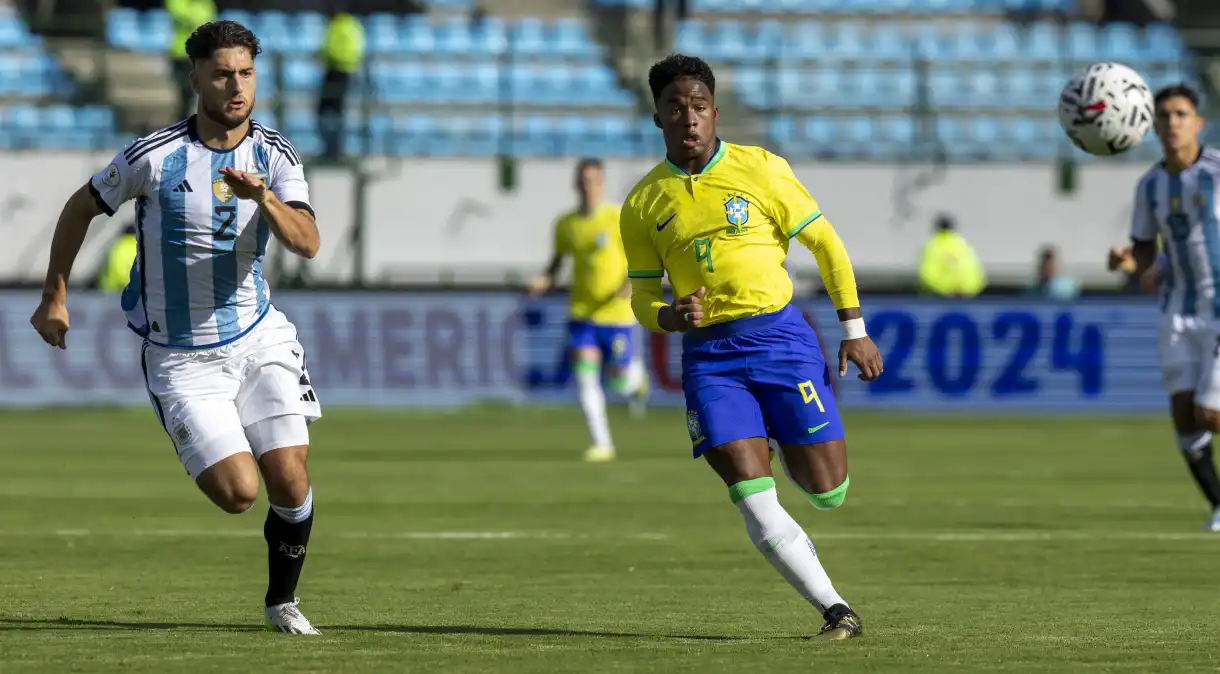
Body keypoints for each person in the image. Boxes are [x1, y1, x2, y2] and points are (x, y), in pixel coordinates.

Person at [29, 21, 324, 633]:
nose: (236, 86)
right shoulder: (154, 156)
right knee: (240, 493)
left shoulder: (275, 154)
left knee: (291, 481)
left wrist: (262, 198)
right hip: (182, 357)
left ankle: (281, 604)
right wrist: (55, 293)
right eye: (222, 73)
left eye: (245, 73)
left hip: (258, 337)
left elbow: (308, 242)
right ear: (195, 78)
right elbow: (80, 207)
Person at [620, 54, 882, 640]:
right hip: (710, 360)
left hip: (781, 339)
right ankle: (836, 609)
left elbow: (826, 245)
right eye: (675, 107)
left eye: (699, 106)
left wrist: (854, 329)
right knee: (748, 489)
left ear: (714, 112)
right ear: (657, 116)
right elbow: (639, 301)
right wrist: (667, 314)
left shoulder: (762, 169)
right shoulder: (642, 203)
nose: (689, 118)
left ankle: (786, 439)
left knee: (827, 492)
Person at [1107, 83, 1220, 531]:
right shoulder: (1149, 185)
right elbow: (1143, 252)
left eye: (1181, 114)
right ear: (1151, 125)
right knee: (1184, 416)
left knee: (1210, 414)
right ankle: (1218, 504)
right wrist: (1127, 261)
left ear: (1199, 122)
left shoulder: (1217, 171)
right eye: (1165, 116)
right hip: (1177, 310)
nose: (1173, 123)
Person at [529, 158, 649, 462]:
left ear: (602, 183)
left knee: (619, 382)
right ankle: (601, 443)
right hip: (582, 312)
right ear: (575, 184)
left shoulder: (618, 218)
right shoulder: (566, 224)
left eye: (594, 180)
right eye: (583, 181)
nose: (588, 187)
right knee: (585, 376)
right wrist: (545, 278)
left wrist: (628, 283)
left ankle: (636, 381)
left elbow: (641, 258)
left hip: (617, 314)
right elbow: (557, 261)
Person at [916, 214, 986, 298]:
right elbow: (977, 271)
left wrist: (947, 290)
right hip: (969, 294)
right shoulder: (963, 244)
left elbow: (927, 274)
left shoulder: (933, 245)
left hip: (942, 297)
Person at [97, 223, 138, 294]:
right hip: (133, 289)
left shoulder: (115, 247)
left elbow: (105, 269)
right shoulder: (139, 248)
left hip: (113, 290)